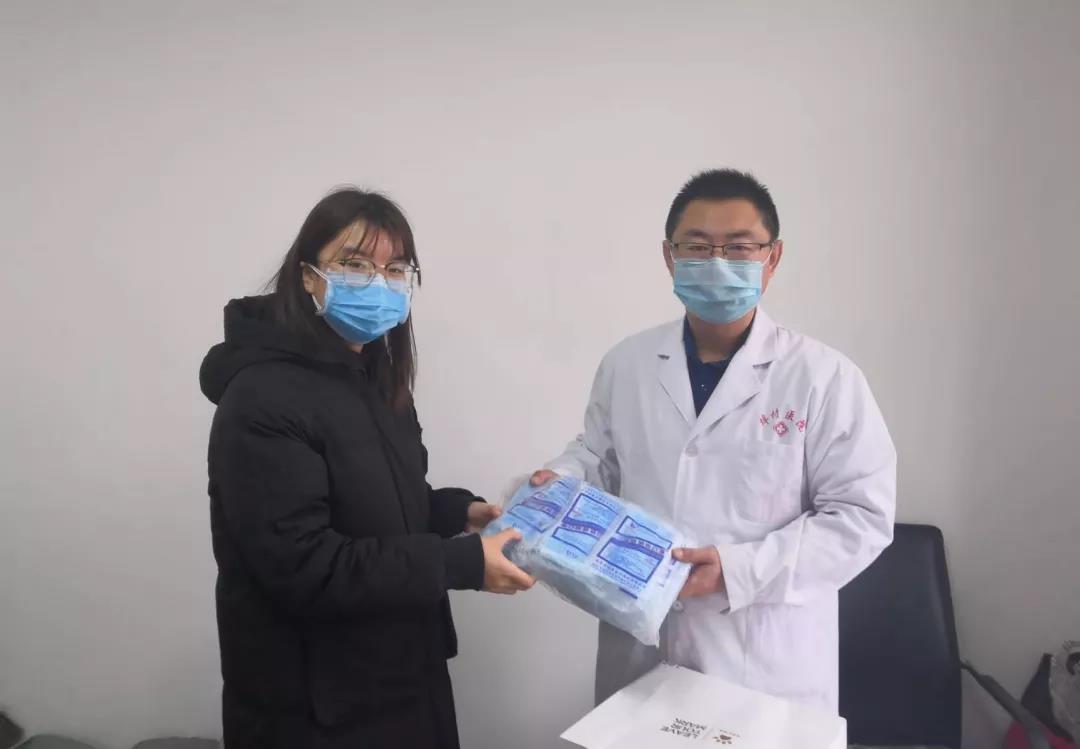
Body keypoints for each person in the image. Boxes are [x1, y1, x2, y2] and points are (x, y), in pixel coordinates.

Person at [531, 169, 896, 712]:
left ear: (772, 258)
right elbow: (599, 460)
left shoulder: (823, 377)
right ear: (669, 256)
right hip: (643, 646)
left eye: (739, 248)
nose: (718, 263)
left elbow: (861, 518)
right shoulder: (627, 363)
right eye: (698, 247)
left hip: (763, 664)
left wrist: (737, 570)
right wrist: (558, 482)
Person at [199, 188, 535, 748]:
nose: (379, 284)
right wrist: (462, 563)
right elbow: (306, 565)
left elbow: (385, 507)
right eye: (354, 264)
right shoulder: (261, 397)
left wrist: (463, 512)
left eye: (395, 269)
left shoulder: (376, 378)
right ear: (308, 276)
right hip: (312, 707)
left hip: (401, 677)